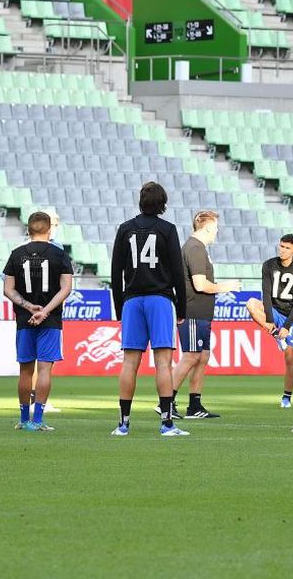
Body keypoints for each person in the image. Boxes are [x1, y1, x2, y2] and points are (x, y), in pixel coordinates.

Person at [110, 182, 189, 437]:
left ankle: (123, 424)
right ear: (162, 203)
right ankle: (166, 424)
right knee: (163, 362)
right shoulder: (167, 229)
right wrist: (181, 306)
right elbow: (178, 271)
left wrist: (119, 306)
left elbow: (116, 272)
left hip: (132, 300)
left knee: (129, 363)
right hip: (159, 299)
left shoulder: (125, 229)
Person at [3, 211, 74, 432]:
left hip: (25, 319)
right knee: (44, 369)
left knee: (25, 370)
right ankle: (38, 420)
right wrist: (45, 311)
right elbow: (66, 288)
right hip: (50, 319)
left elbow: (7, 289)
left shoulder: (16, 254)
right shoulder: (59, 254)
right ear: (49, 230)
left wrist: (27, 306)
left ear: (28, 230)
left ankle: (24, 420)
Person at [165, 210, 239, 420]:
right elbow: (200, 284)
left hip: (201, 312)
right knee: (191, 356)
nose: (217, 231)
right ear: (207, 227)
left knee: (202, 356)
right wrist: (226, 286)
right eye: (215, 227)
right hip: (193, 311)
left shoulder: (198, 247)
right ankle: (166, 401)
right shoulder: (195, 248)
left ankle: (194, 406)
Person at [246, 234, 293, 408]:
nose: (283, 250)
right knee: (251, 303)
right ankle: (273, 332)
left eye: (287, 247)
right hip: (273, 312)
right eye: (281, 246)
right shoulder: (269, 265)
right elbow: (265, 294)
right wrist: (271, 322)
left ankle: (287, 396)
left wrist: (287, 326)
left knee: (289, 358)